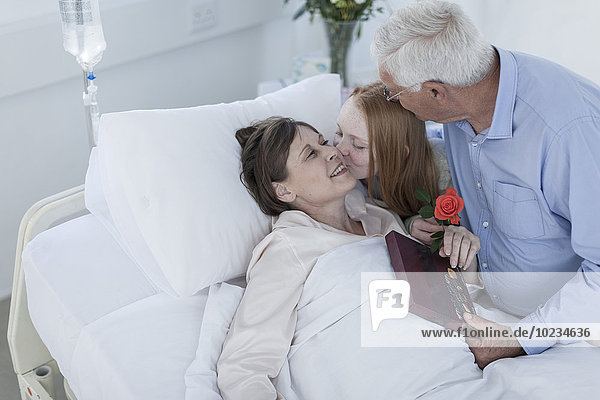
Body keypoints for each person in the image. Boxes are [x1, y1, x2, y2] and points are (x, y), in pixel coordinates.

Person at [371, 0, 600, 368]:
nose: (394, 102)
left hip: (565, 338)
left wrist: (520, 339)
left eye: (394, 94)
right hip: (489, 310)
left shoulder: (567, 132)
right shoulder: (467, 93)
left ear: (434, 92)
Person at [216, 117, 480, 399]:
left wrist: (463, 256)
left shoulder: (380, 218)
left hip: (458, 374)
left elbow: (454, 304)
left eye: (323, 142)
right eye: (311, 154)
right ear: (283, 190)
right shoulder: (288, 248)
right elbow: (244, 366)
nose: (332, 151)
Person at [334, 82, 478, 269]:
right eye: (339, 132)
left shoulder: (444, 171)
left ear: (399, 154)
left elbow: (468, 233)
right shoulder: (353, 174)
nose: (339, 149)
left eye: (359, 145)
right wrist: (410, 224)